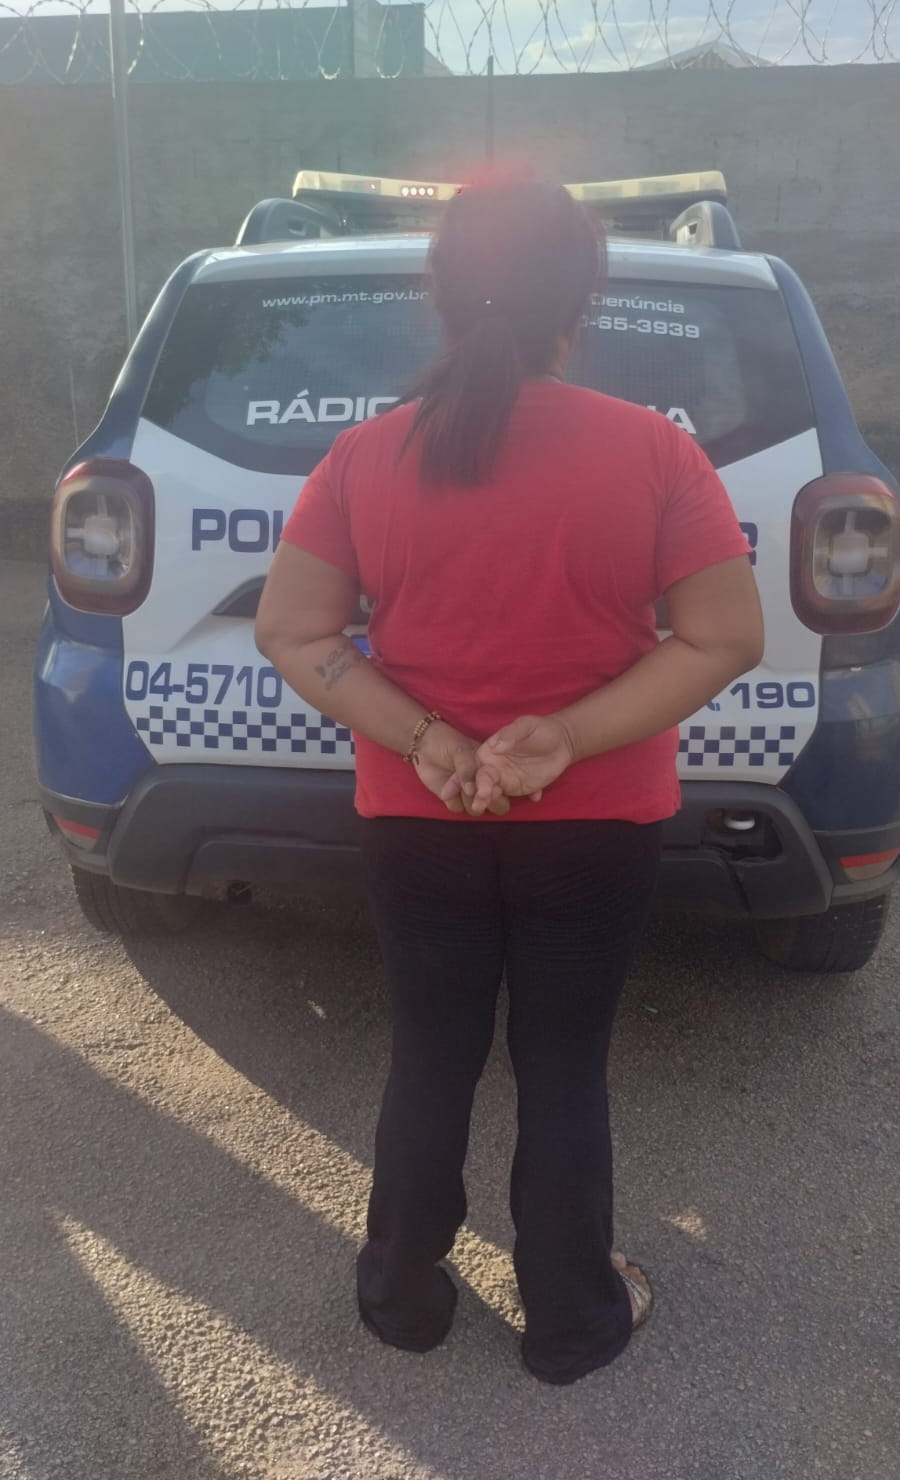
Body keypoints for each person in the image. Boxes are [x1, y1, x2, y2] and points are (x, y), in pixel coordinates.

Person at [255, 176, 764, 1385]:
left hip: (417, 812)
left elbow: (294, 630)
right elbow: (725, 638)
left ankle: (400, 1295)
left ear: (440, 296)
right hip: (594, 821)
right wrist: (567, 738)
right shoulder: (656, 451)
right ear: (580, 304)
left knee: (430, 1049)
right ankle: (575, 1317)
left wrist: (425, 736)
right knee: (564, 1060)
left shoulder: (366, 454)